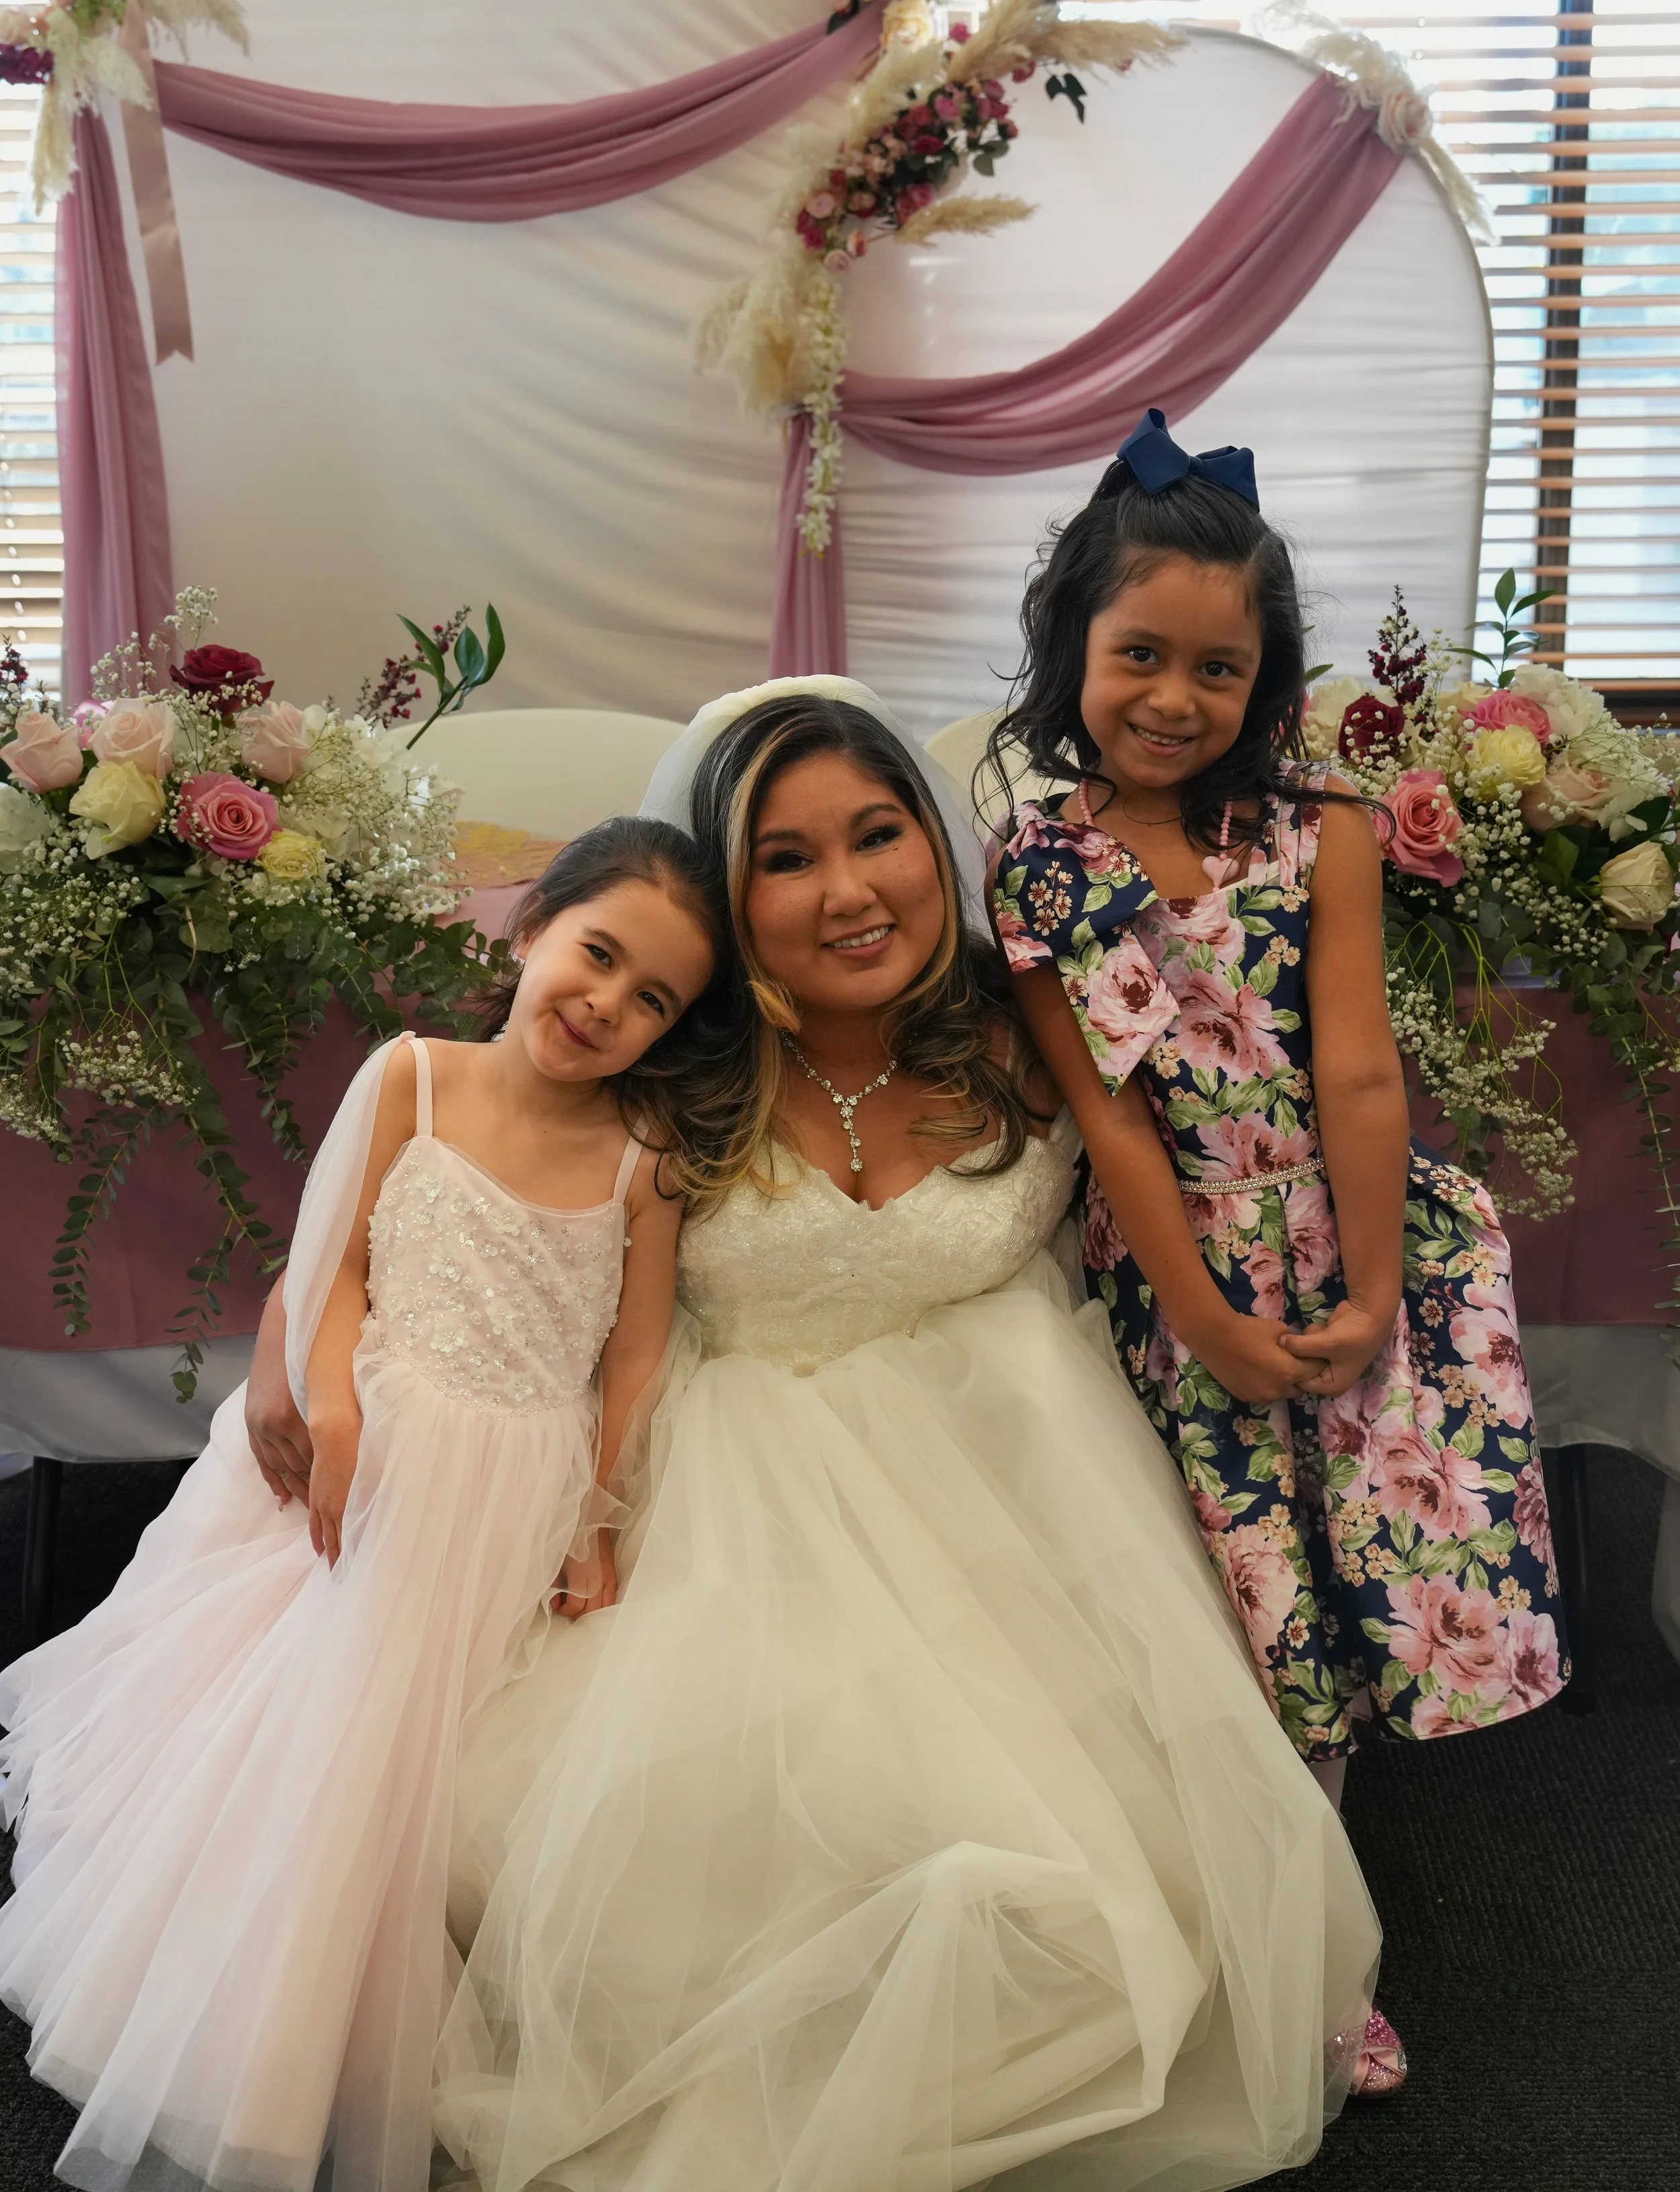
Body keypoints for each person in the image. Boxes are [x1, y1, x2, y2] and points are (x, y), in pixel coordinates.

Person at [429, 679, 1381, 2192]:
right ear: (723, 897)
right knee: (713, 1872)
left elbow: (1253, 1128)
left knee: (1113, 1886)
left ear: (937, 843)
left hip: (1020, 1483)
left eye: (878, 835)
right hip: (733, 1498)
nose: (850, 890)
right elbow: (480, 1200)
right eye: (785, 859)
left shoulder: (1034, 1027)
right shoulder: (668, 1067)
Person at [0, 819, 725, 2192]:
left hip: (514, 1480)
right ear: (532, 929)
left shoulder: (646, 1156)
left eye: (653, 1001)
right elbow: (332, 1255)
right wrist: (328, 1399)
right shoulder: (414, 1076)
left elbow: (633, 1353)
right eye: (596, 955)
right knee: (299, 1719)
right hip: (375, 1438)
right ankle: (240, 2008)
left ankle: (365, 2017)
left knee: (421, 1758)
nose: (606, 1005)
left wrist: (598, 1513)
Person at [989, 410, 1570, 2088]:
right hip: (1176, 1276)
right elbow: (1109, 1119)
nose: (1174, 697)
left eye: (1217, 668)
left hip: (1353, 1243)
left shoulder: (1322, 830)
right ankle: (1268, 1962)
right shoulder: (1042, 863)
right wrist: (1202, 1318)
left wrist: (1374, 1288)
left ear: (1264, 679)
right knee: (1241, 1626)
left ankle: (1320, 1947)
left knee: (1350, 1602)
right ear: (1072, 645)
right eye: (1139, 655)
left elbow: (1359, 1069)